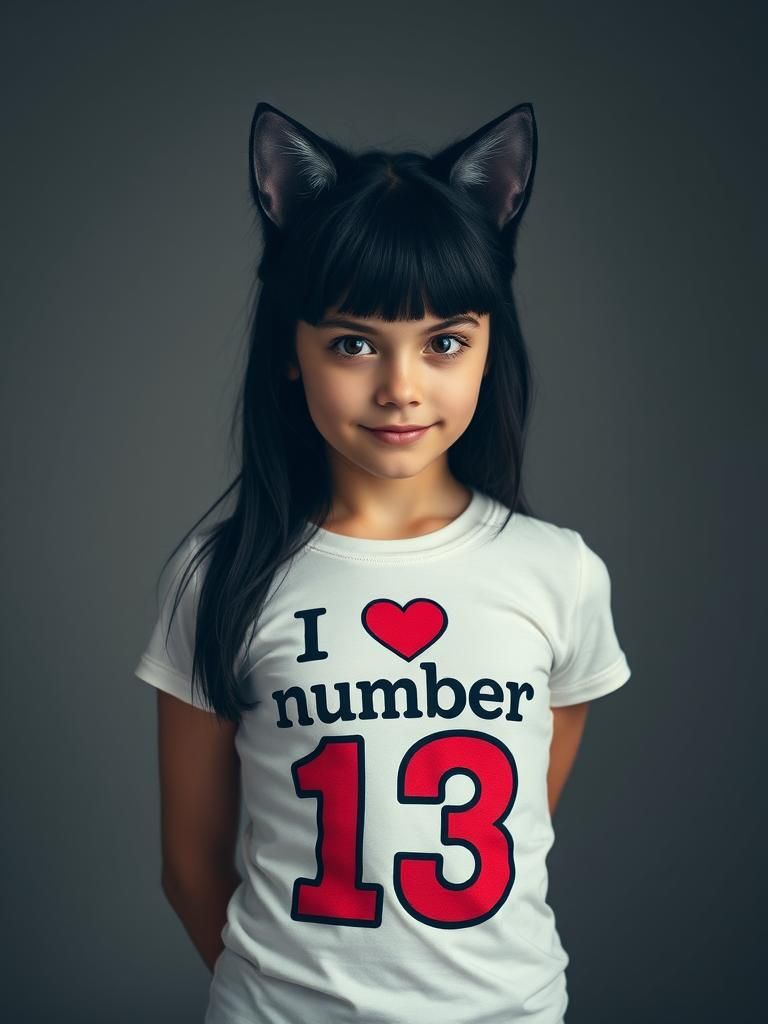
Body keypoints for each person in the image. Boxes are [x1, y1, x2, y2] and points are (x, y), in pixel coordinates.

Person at [133, 99, 632, 1024]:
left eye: (445, 342)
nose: (401, 387)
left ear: (489, 347)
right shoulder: (220, 576)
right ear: (293, 349)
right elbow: (190, 865)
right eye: (354, 343)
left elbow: (526, 817)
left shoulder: (558, 574)